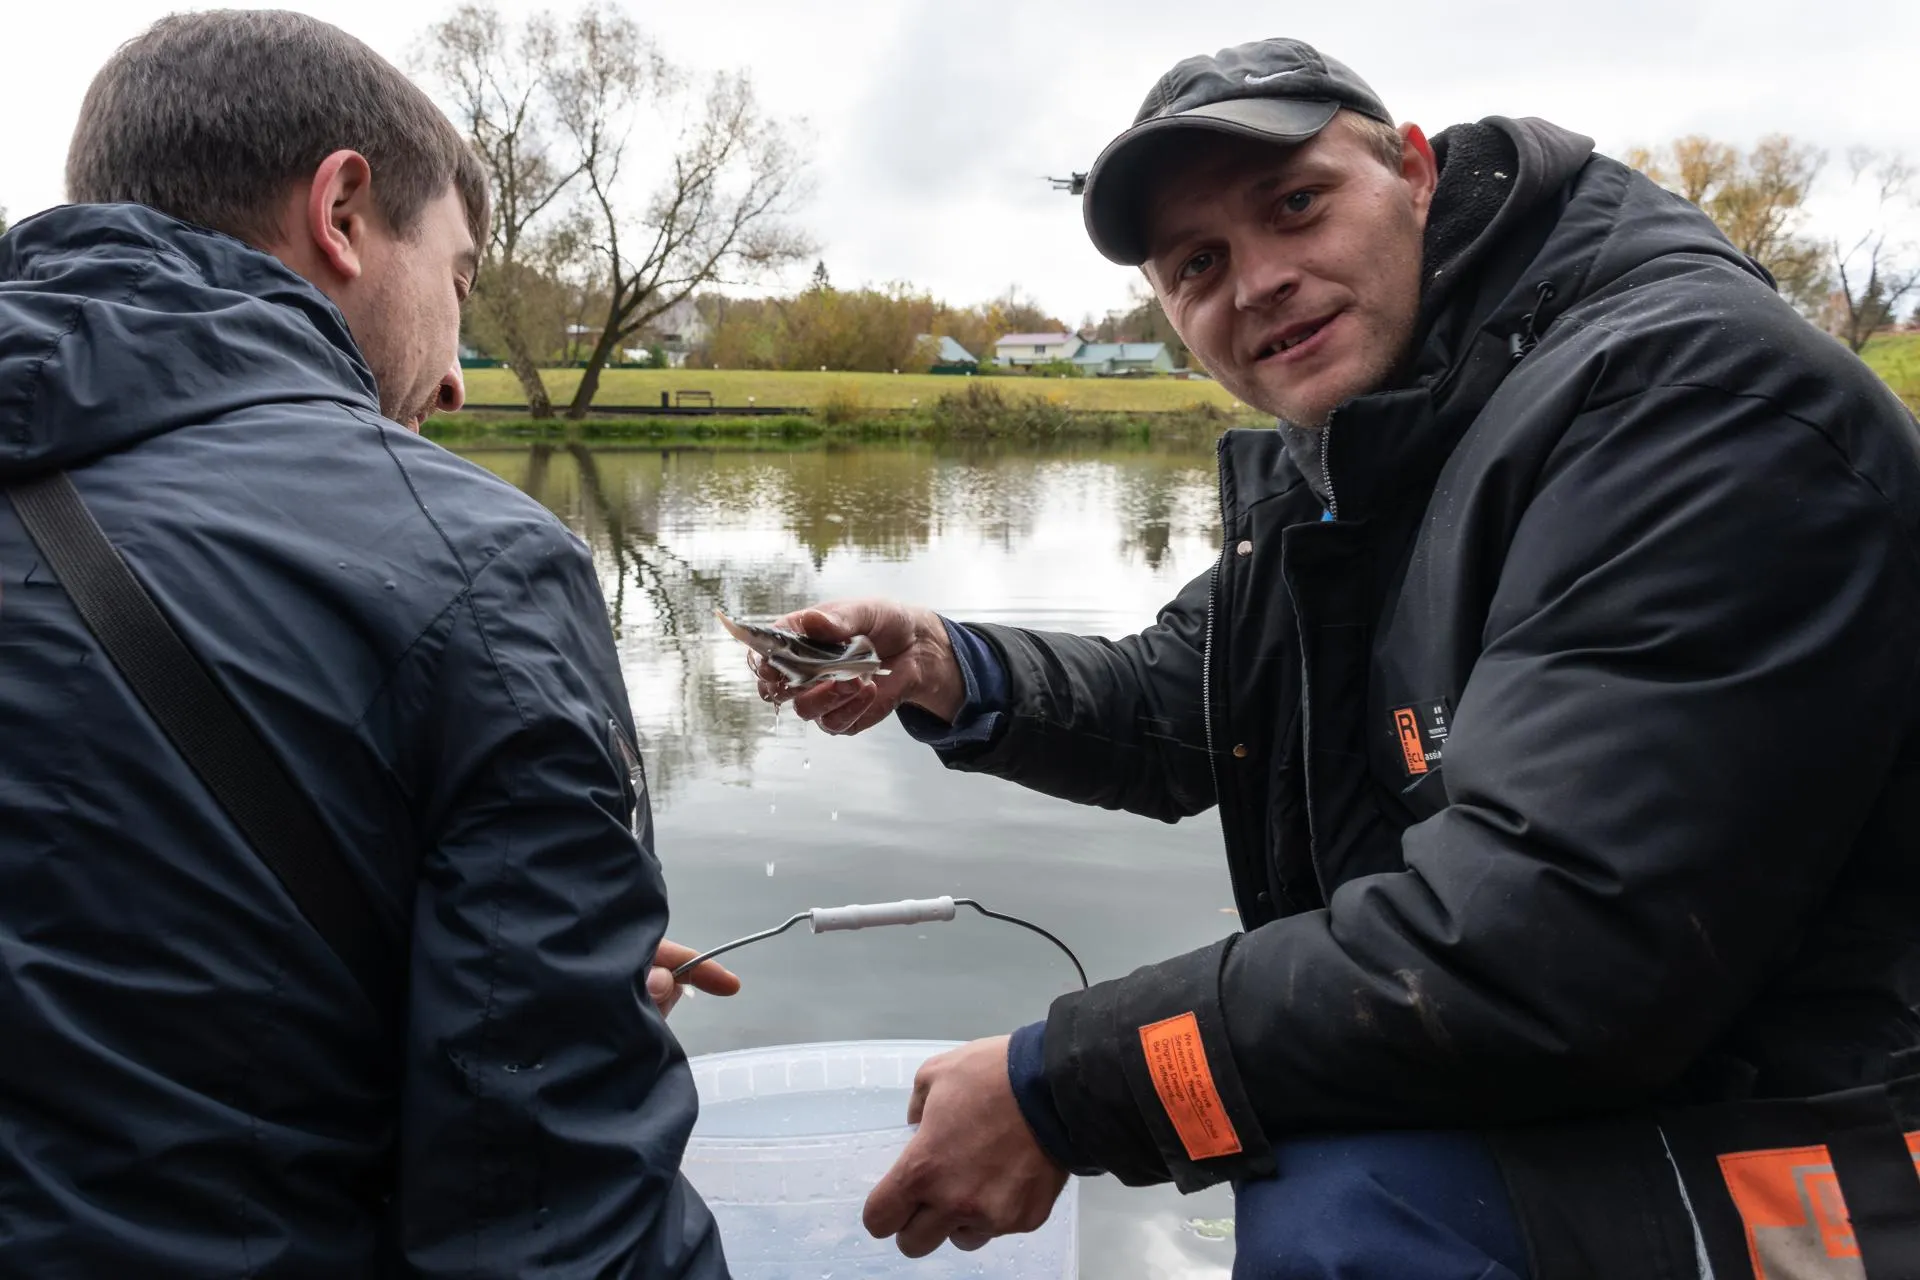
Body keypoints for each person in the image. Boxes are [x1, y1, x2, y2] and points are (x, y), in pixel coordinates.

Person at [759, 36, 1920, 1279]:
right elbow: (1192, 698)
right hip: (1624, 1084)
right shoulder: (1387, 445)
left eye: (1295, 205)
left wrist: (1059, 1085)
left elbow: (1550, 949)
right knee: (1319, 1138)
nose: (1258, 281)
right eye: (1198, 263)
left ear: (1413, 171)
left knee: (1342, 1201)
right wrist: (942, 662)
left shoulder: (1693, 402)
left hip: (1829, 1132)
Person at [0, 12, 735, 1276]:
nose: (453, 381)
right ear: (342, 211)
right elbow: (558, 1229)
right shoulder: (478, 571)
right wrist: (544, 986)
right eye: (455, 281)